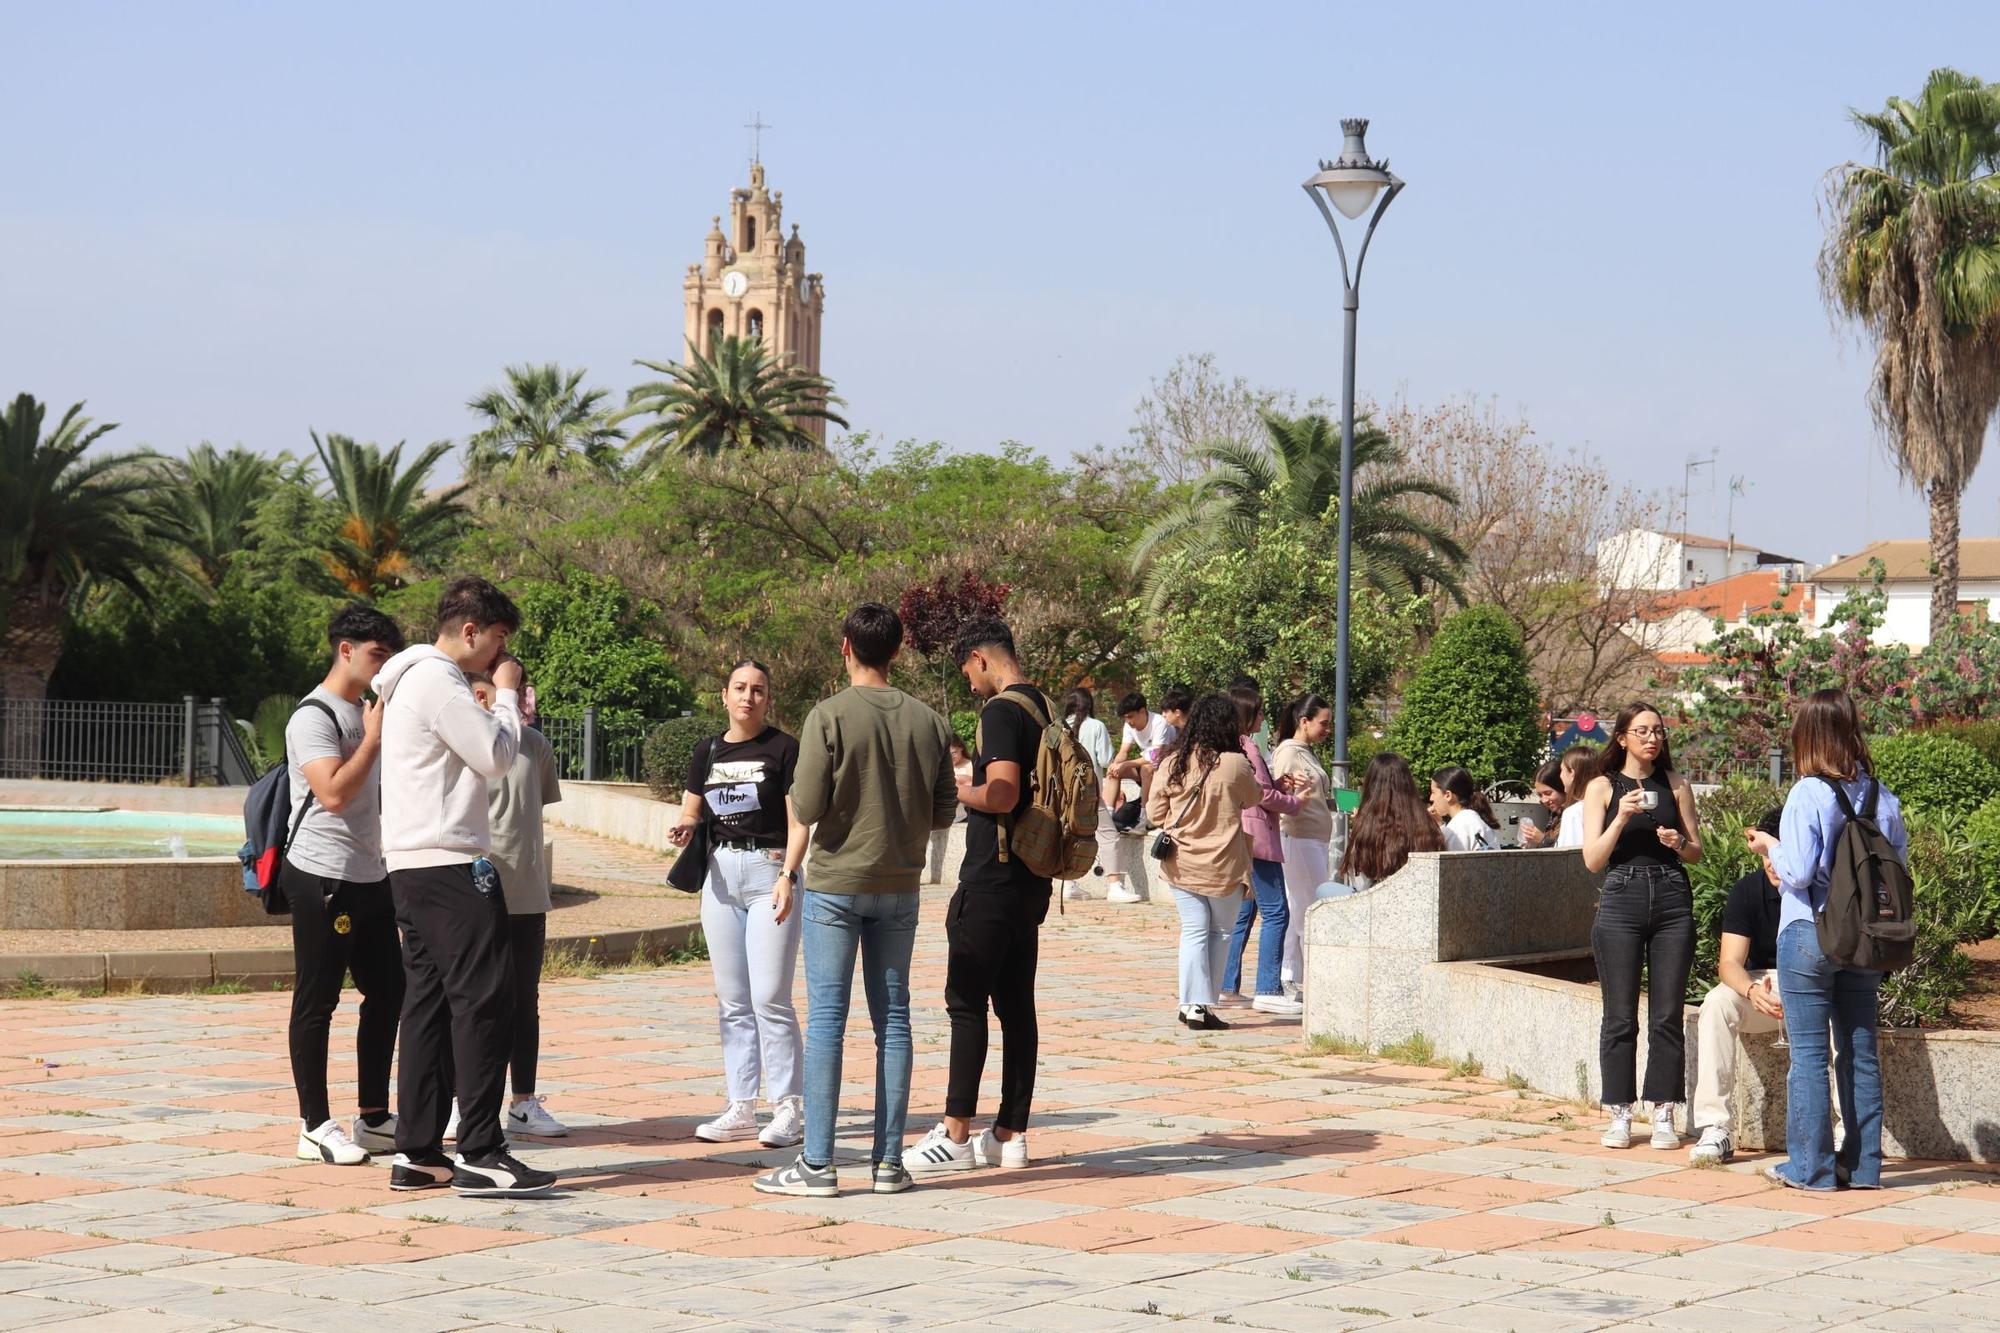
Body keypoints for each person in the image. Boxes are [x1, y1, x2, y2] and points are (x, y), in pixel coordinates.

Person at [754, 603, 956, 1199]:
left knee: (828, 1023)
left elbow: (807, 806)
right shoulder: (929, 720)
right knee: (895, 1020)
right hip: (900, 885)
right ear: (897, 650)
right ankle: (889, 1164)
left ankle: (818, 1165)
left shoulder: (829, 716)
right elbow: (945, 810)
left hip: (838, 884)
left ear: (846, 647)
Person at [373, 576, 555, 1198]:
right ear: (470, 630)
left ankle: (419, 1152)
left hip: (412, 862)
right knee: (484, 1002)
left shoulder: (407, 682)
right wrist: (504, 696)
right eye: (498, 640)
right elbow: (497, 758)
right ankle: (479, 1149)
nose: (501, 656)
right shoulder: (438, 680)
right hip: (450, 864)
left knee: (425, 1005)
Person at [904, 618, 1050, 1177]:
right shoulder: (1043, 706)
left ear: (980, 657)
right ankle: (1010, 1134)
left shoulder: (1001, 711)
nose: (968, 683)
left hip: (992, 876)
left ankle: (957, 1133)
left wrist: (954, 789)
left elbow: (1005, 788)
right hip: (1032, 877)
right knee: (1017, 1007)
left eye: (967, 670)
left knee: (966, 1003)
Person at [1747, 688, 1904, 1191]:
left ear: (1807, 736)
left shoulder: (1807, 793)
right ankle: (1862, 1168)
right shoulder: (1883, 797)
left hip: (1810, 931)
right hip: (1864, 939)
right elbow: (1896, 868)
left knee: (1810, 1055)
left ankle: (1810, 1168)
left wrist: (1768, 844)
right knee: (1859, 1052)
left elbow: (1796, 872)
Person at [284, 604, 407, 1167]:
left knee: (388, 992)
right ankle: (312, 1125)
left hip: (370, 873)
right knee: (318, 999)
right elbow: (333, 793)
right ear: (346, 650)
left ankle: (374, 1117)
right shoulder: (314, 716)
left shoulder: (366, 711)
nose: (383, 669)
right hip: (321, 875)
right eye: (377, 656)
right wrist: (375, 740)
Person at [672, 660, 809, 1148]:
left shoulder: (785, 748)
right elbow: (694, 805)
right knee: (733, 1001)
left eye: (758, 690)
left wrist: (789, 876)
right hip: (720, 876)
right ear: (724, 696)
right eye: (740, 688)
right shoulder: (707, 749)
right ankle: (741, 1105)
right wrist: (686, 824)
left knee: (769, 996)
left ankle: (788, 1107)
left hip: (769, 872)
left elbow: (799, 823)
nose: (748, 697)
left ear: (768, 699)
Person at [1581, 702, 1703, 1152]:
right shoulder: (1601, 787)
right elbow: (1593, 859)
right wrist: (1621, 817)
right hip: (1621, 895)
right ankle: (1619, 1112)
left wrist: (1679, 842)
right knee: (1619, 1014)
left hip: (1671, 894)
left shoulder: (1676, 784)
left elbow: (1696, 852)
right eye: (1642, 731)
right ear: (1622, 738)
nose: (1653, 739)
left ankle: (1664, 1110)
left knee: (1667, 1014)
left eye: (1658, 731)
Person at [456, 670, 568, 1141]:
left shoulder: (536, 745)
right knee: (469, 1002)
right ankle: (460, 1105)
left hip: (527, 895)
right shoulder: (461, 741)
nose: (525, 697)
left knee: (525, 1002)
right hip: (471, 893)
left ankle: (523, 1102)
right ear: (481, 692)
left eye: (524, 688)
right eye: (513, 688)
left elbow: (530, 811)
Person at [1145, 693, 1263, 1031]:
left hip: (1181, 861)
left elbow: (1154, 813)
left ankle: (1190, 1005)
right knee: (1222, 932)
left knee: (1194, 930)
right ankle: (1200, 1005)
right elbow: (1253, 798)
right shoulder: (1235, 764)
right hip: (1224, 863)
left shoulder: (1171, 762)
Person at [1689, 808, 1787, 1165]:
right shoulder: (1748, 890)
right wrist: (1750, 990)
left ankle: (1843, 1129)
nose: (1773, 862)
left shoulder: (1819, 886)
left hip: (1814, 984)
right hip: (1762, 983)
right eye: (1766, 852)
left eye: (1782, 851)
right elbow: (1729, 962)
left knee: (1842, 1011)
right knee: (1717, 1002)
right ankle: (1716, 1127)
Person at [1218, 685, 1303, 1016]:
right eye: (1259, 711)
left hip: (1243, 833)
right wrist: (1294, 802)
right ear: (1246, 715)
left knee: (1243, 913)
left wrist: (1277, 785)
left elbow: (1259, 788)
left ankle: (1227, 985)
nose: (1264, 717)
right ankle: (1268, 987)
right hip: (1259, 836)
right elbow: (1261, 795)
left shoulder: (1231, 746)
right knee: (1277, 911)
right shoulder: (1248, 747)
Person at [1270, 693, 1332, 999]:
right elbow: (1279, 795)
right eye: (1323, 723)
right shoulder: (1289, 752)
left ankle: (1292, 974)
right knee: (1307, 909)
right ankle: (1305, 976)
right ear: (1304, 721)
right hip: (1299, 836)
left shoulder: (1306, 751)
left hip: (1313, 838)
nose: (1327, 729)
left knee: (1302, 908)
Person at [1100, 690, 1176, 904]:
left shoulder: (1159, 723)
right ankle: (1109, 813)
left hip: (1162, 772)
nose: (1129, 722)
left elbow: (1156, 756)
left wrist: (1129, 763)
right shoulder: (1129, 727)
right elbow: (1124, 751)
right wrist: (1117, 764)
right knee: (1115, 771)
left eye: (1131, 717)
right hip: (1144, 770)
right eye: (1126, 718)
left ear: (1143, 711)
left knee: (1146, 769)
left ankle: (1143, 816)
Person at [1337, 753, 1447, 891]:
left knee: (1326, 888)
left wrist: (1362, 824)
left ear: (1371, 784)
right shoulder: (1426, 824)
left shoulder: (1368, 829)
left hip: (1376, 902)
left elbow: (1360, 884)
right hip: (1418, 899)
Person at [1061, 689, 1114, 903]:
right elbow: (1106, 759)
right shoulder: (1096, 726)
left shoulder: (1060, 726)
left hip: (1064, 793)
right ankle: (1115, 885)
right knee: (1109, 836)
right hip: (1090, 793)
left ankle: (1068, 884)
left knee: (1068, 835)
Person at [926, 737, 973, 886]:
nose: (952, 756)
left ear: (961, 749)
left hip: (959, 809)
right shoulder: (944, 765)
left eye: (954, 753)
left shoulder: (969, 765)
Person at [1430, 766, 1501, 852]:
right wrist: (1439, 824)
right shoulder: (1472, 820)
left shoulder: (1458, 827)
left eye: (1433, 792)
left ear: (1448, 795)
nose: (1431, 798)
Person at [1517, 758, 1568, 849]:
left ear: (1562, 788)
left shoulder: (1575, 814)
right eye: (1540, 795)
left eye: (1548, 793)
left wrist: (1542, 840)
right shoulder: (1554, 816)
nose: (1544, 800)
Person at [1554, 746, 1597, 850]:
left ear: (1572, 773)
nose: (1560, 776)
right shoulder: (1607, 805)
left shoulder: (1574, 812)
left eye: (1562, 770)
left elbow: (1571, 856)